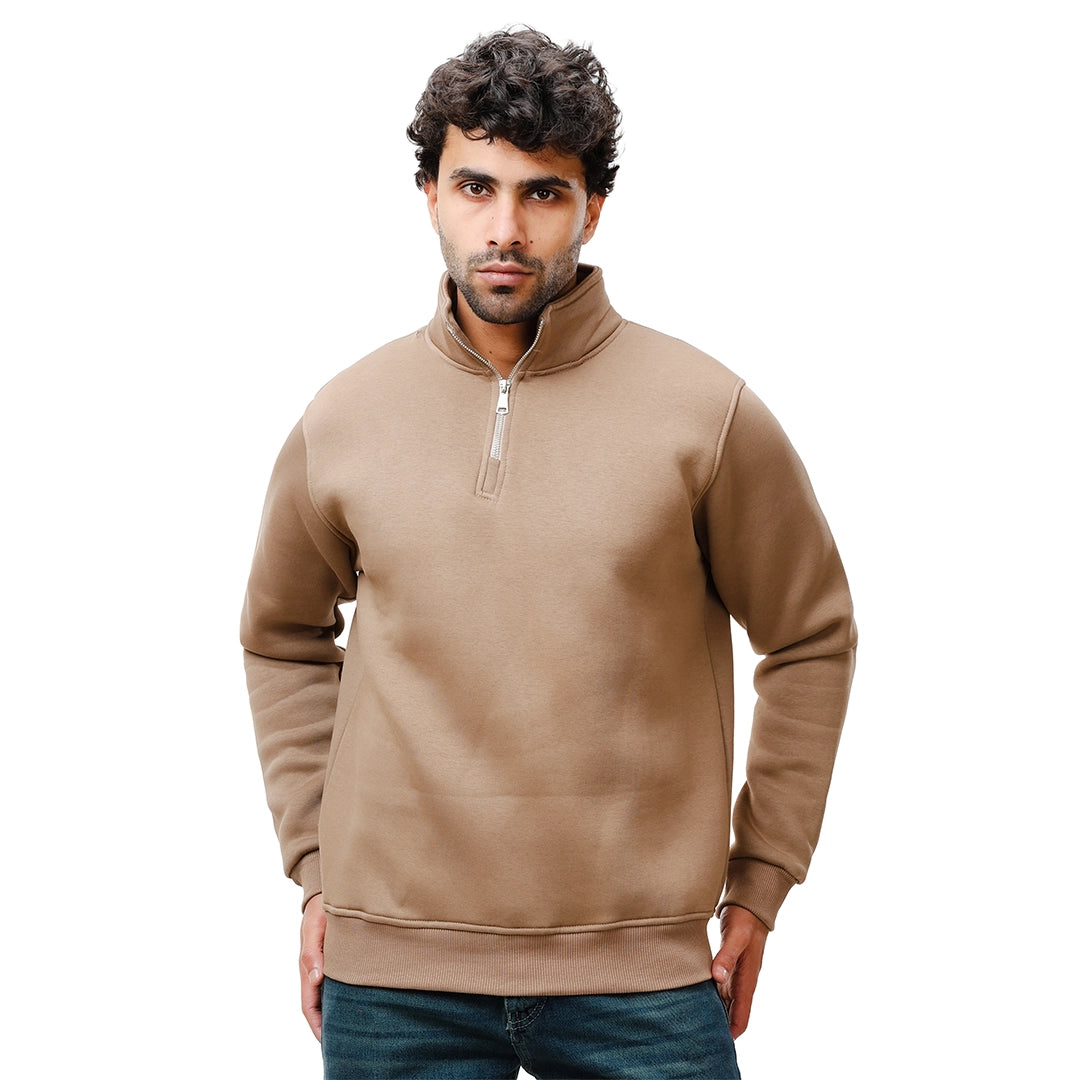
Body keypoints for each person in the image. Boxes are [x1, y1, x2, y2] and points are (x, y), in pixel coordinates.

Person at [241, 27, 856, 1080]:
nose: (505, 229)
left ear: (592, 208)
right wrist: (316, 867)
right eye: (475, 187)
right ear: (429, 194)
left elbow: (811, 637)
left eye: (543, 194)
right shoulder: (345, 418)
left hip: (642, 980)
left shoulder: (705, 414)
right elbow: (282, 636)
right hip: (393, 979)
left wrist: (761, 881)